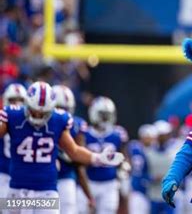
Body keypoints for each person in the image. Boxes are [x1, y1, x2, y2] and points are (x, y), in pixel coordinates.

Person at [0, 81, 123, 214]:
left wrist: (97, 158)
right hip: (18, 189)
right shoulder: (13, 116)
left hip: (46, 191)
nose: (38, 116)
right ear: (27, 104)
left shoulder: (58, 120)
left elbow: (74, 151)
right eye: (34, 111)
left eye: (44, 113)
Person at [78, 96, 127, 214]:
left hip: (109, 183)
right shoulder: (85, 133)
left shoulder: (117, 134)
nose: (105, 118)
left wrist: (124, 168)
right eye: (102, 114)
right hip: (89, 181)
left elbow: (123, 157)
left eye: (107, 114)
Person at [52, 85, 93, 214]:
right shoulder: (39, 123)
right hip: (40, 179)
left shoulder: (77, 125)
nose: (63, 113)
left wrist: (88, 194)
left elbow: (79, 163)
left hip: (65, 178)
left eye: (66, 109)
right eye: (60, 108)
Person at [0, 83, 27, 198]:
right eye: (13, 100)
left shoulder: (34, 122)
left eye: (20, 100)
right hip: (3, 174)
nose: (17, 103)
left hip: (25, 176)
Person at [128, 124, 156, 214]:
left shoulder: (155, 150)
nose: (149, 139)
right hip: (138, 188)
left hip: (153, 191)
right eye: (147, 137)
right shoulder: (135, 148)